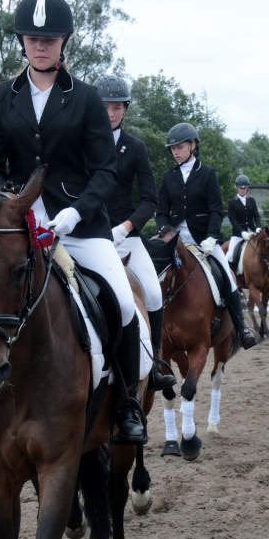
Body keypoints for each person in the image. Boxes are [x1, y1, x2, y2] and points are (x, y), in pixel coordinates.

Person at [0, 0, 146, 444]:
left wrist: (73, 212)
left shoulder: (85, 99)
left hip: (79, 224)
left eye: (49, 38)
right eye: (32, 38)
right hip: (13, 224)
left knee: (123, 303)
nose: (40, 45)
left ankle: (125, 405)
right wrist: (7, 200)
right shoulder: (0, 97)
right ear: (22, 42)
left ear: (63, 41)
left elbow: (104, 170)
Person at [93, 74, 176, 391]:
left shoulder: (136, 148)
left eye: (116, 107)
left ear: (125, 110)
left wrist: (125, 228)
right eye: (105, 107)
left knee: (153, 294)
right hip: (88, 233)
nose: (110, 113)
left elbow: (150, 200)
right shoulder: (82, 145)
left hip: (126, 234)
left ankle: (153, 364)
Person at [156, 123, 259, 350]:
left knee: (227, 276)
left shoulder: (207, 173)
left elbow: (215, 210)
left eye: (180, 147)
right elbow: (162, 212)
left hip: (204, 239)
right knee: (154, 274)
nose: (175, 151)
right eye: (172, 148)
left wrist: (212, 237)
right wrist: (165, 231)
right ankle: (151, 329)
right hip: (175, 239)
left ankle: (241, 328)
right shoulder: (168, 176)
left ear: (193, 146)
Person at [226, 174, 262, 272]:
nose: (242, 190)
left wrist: (258, 227)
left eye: (244, 188)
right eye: (240, 188)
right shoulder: (232, 202)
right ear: (237, 188)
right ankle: (233, 278)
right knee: (230, 256)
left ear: (247, 188)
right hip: (238, 234)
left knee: (264, 249)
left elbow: (257, 216)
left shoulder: (251, 201)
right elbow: (233, 220)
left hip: (252, 232)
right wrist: (241, 232)